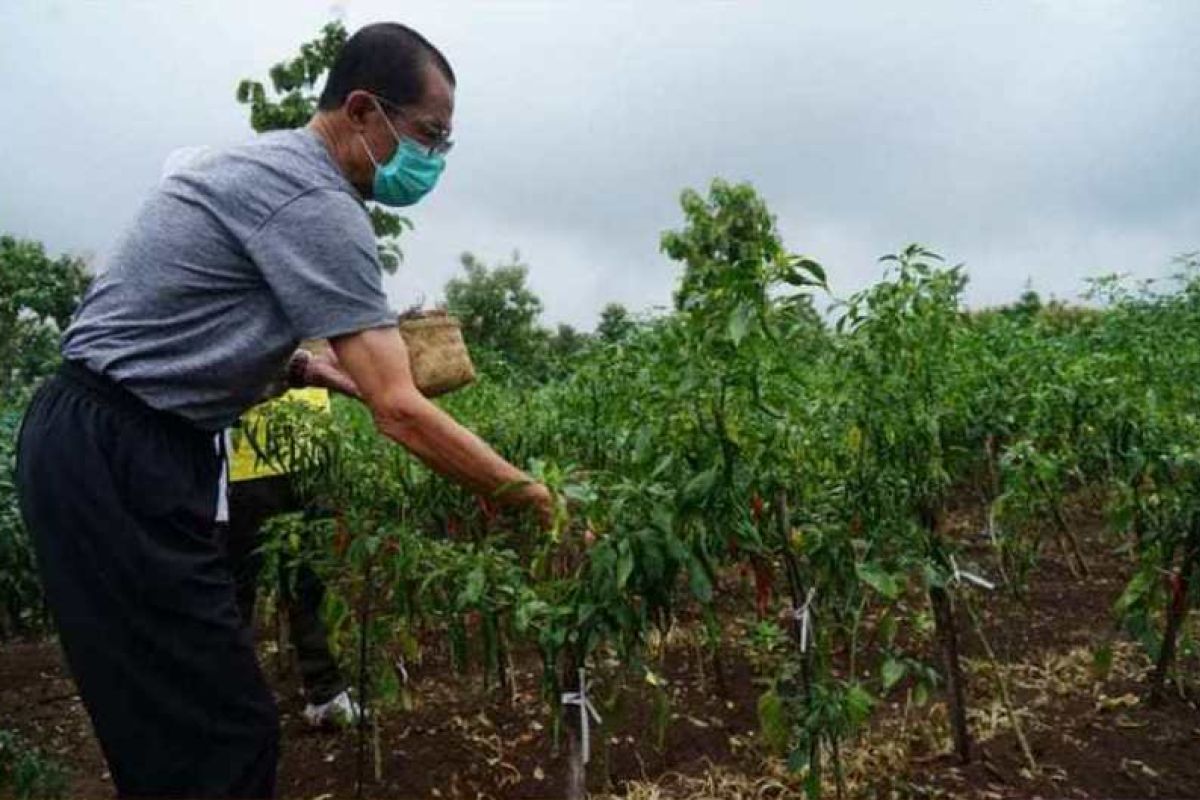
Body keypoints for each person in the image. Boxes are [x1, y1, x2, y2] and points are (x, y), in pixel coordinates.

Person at [16, 22, 553, 798]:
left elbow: (205, 322)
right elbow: (399, 411)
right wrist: (527, 495)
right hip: (120, 452)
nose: (433, 160)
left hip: (110, 439)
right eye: (429, 135)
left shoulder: (269, 167)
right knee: (218, 733)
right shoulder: (316, 202)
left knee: (175, 726)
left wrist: (327, 374)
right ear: (364, 111)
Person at [224, 384, 360, 729]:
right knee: (235, 587)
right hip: (245, 462)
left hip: (311, 452)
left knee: (309, 579)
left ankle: (326, 693)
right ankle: (226, 702)